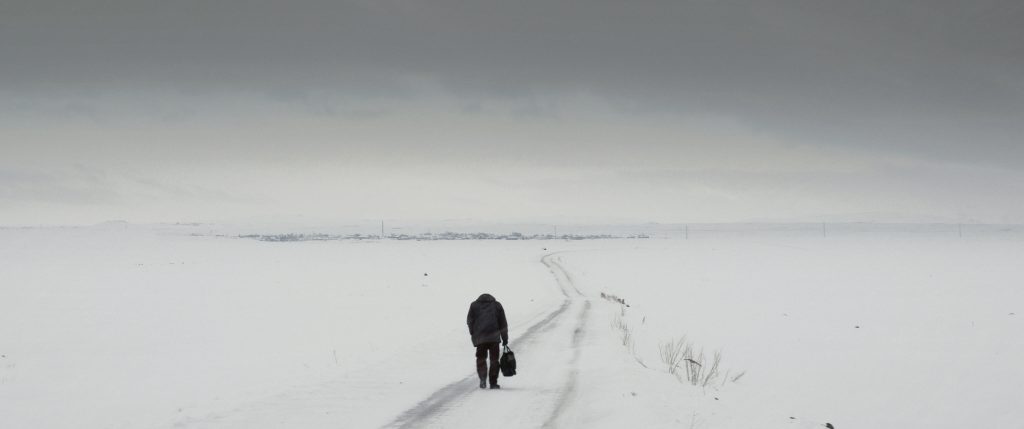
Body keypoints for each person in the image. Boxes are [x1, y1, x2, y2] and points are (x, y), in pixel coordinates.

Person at [466, 293, 509, 389]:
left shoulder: (474, 305)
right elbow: (503, 323)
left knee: (481, 359)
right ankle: (493, 383)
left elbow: (469, 321)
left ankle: (482, 379)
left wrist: (473, 333)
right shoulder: (497, 305)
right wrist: (505, 338)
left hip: (480, 338)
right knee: (494, 360)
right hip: (494, 339)